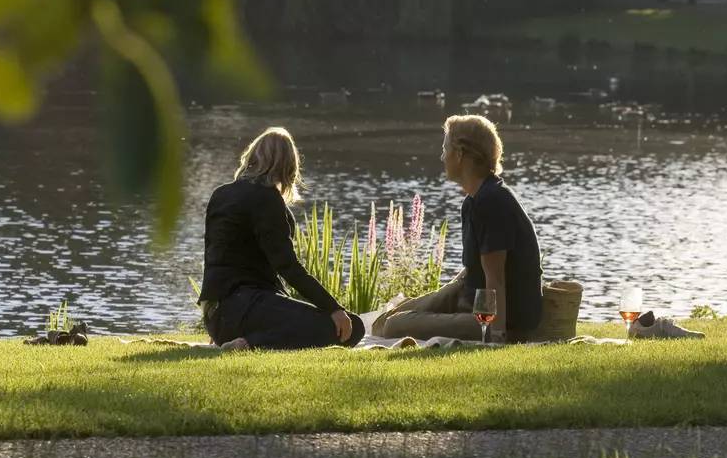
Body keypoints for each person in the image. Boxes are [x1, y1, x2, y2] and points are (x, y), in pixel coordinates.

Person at [373, 115, 544, 343]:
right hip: (471, 292)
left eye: (445, 149)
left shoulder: (492, 201)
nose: (442, 156)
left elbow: (496, 277)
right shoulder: (474, 200)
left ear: (460, 154)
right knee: (390, 316)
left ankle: (466, 324)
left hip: (499, 317)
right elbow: (475, 268)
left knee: (394, 325)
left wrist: (497, 335)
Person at [199, 127, 364, 350]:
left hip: (216, 315)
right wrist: (333, 308)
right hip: (242, 305)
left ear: (252, 156)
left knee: (315, 319)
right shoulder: (266, 197)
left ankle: (238, 337)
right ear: (288, 165)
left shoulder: (221, 193)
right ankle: (250, 344)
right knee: (350, 326)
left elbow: (214, 258)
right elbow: (286, 265)